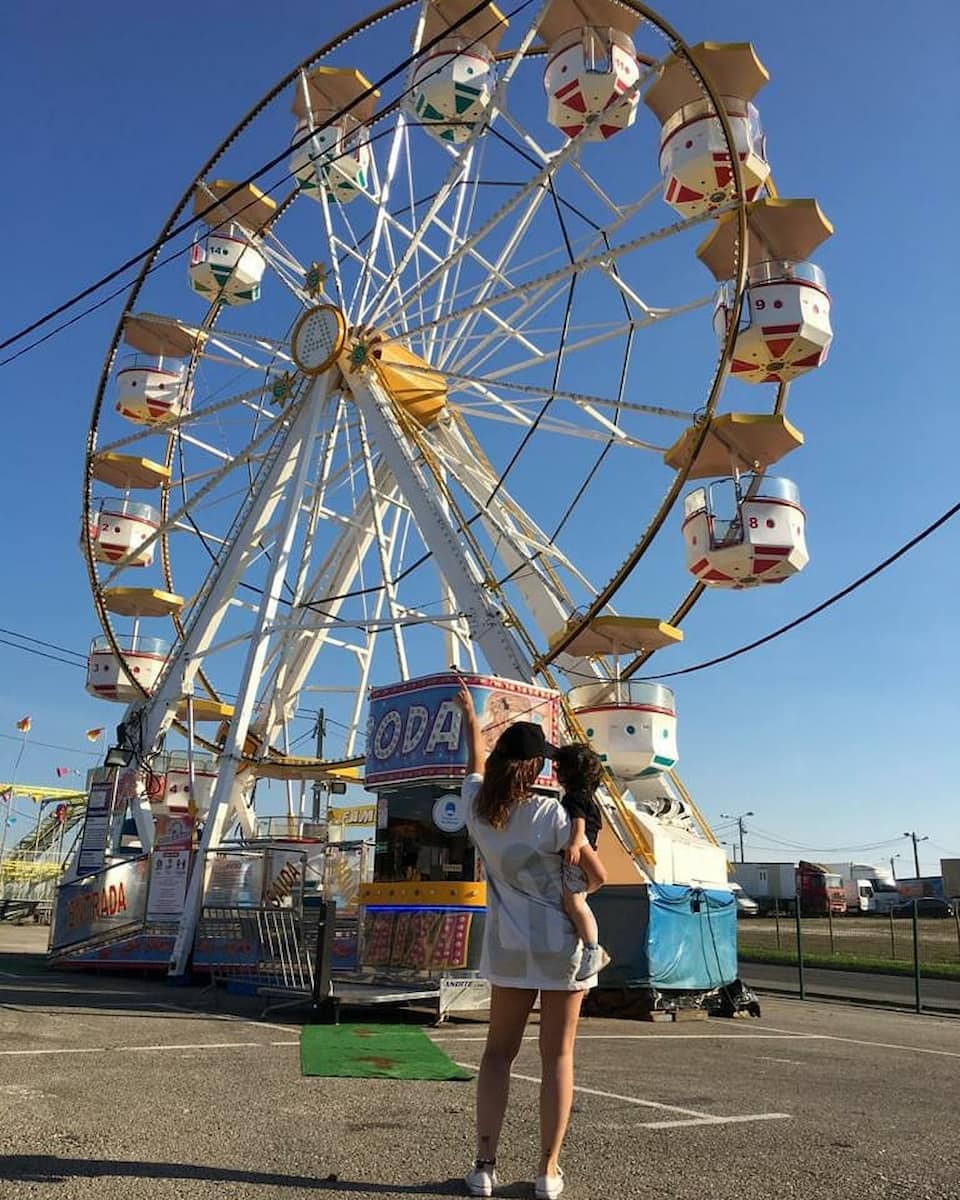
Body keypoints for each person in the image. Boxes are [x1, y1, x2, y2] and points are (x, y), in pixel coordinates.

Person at [454, 682, 606, 1200]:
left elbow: (473, 768)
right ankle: (547, 1170)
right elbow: (594, 874)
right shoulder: (557, 818)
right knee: (557, 1059)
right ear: (537, 770)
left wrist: (472, 719)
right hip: (561, 949)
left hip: (508, 949)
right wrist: (573, 897)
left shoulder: (477, 811)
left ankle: (483, 1165)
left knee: (497, 1056)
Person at [553, 742, 611, 981]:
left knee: (574, 905)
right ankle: (591, 949)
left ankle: (592, 950)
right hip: (585, 857)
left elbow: (578, 825)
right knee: (576, 905)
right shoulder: (588, 798)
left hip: (578, 860)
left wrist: (575, 844)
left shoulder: (573, 800)